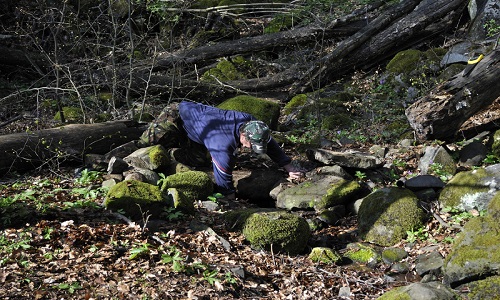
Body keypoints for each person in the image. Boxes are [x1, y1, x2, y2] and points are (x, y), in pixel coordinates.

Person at [143, 100, 303, 200]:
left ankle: (172, 151)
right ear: (243, 135)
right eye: (249, 144)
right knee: (146, 144)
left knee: (198, 160)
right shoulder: (221, 143)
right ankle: (160, 149)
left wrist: (287, 165)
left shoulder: (254, 125)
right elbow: (222, 173)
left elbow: (271, 144)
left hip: (198, 130)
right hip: (177, 115)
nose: (249, 148)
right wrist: (230, 197)